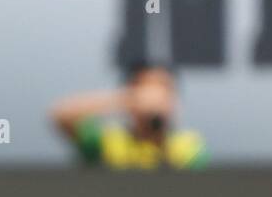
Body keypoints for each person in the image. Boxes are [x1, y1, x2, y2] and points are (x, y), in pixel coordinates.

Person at [50, 63, 207, 169]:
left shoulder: (188, 145)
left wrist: (161, 135)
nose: (153, 98)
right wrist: (127, 99)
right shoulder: (109, 141)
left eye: (164, 89)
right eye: (144, 88)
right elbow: (61, 115)